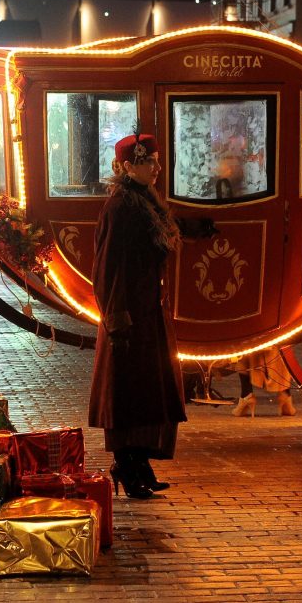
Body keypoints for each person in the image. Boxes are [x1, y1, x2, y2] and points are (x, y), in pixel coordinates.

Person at [88, 133, 186, 499]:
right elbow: (108, 268)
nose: (157, 168)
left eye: (157, 161)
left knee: (148, 392)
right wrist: (116, 318)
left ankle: (140, 464)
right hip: (128, 316)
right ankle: (126, 466)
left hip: (147, 314)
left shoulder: (145, 201)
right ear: (128, 167)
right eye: (149, 162)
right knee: (128, 394)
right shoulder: (121, 207)